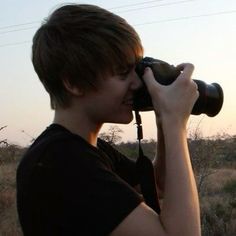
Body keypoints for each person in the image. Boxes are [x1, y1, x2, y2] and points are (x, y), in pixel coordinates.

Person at [16, 3, 201, 236]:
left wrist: (164, 119)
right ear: (73, 82)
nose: (136, 84)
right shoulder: (61, 163)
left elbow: (158, 185)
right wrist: (176, 121)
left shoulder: (83, 149)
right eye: (123, 74)